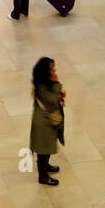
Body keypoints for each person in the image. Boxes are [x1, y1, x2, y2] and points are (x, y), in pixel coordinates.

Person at [30, 57, 64, 186]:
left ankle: (46, 166)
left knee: (47, 148)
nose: (54, 72)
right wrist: (57, 85)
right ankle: (43, 176)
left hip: (47, 124)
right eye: (52, 70)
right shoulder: (42, 88)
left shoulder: (44, 84)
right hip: (43, 125)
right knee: (43, 151)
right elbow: (52, 102)